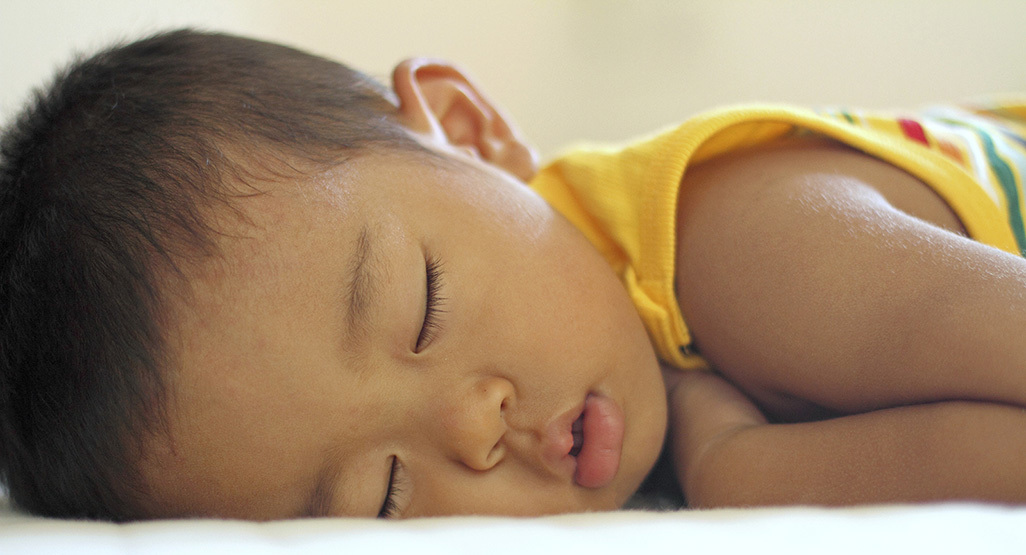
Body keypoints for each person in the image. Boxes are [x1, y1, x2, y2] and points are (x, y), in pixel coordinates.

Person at [0, 29, 1023, 522]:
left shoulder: (751, 247)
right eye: (386, 498)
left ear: (476, 133)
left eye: (424, 308)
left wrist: (756, 478)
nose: (471, 430)